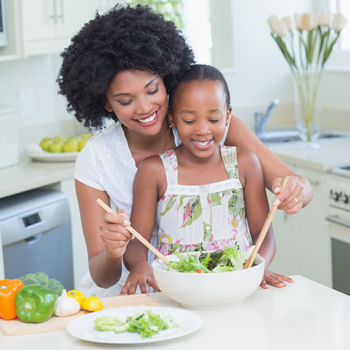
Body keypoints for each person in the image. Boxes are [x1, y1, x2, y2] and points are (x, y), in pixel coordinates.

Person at [57, 4, 312, 297]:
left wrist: (296, 192)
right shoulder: (96, 158)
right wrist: (114, 252)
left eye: (152, 90)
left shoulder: (216, 129)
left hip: (215, 285)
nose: (144, 108)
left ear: (167, 79)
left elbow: (298, 187)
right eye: (125, 101)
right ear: (105, 103)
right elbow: (102, 277)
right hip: (134, 294)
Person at [123, 64, 289, 293]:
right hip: (178, 291)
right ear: (171, 118)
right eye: (190, 121)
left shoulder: (246, 163)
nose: (202, 130)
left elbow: (263, 234)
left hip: (237, 286)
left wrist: (257, 267)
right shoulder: (154, 170)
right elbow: (136, 243)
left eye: (213, 120)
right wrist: (139, 264)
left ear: (227, 115)